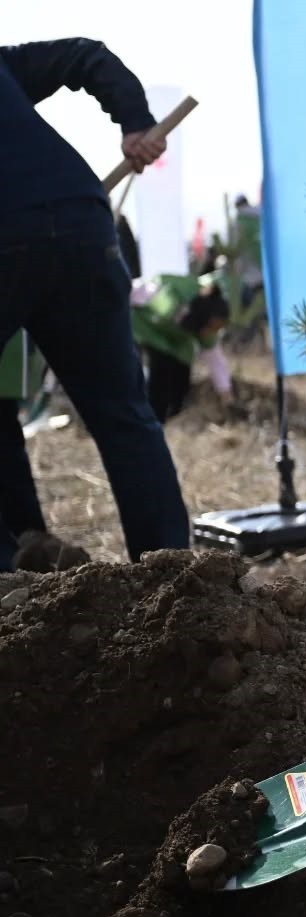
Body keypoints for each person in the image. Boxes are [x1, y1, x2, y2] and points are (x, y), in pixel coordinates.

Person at [0, 38, 191, 570]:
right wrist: (135, 123)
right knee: (123, 414)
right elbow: (85, 55)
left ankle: (8, 570)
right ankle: (174, 576)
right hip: (81, 224)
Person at [131, 273, 232, 422]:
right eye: (213, 326)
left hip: (174, 341)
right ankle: (152, 418)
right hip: (146, 328)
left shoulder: (205, 330)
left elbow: (215, 358)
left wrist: (225, 391)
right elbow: (136, 292)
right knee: (160, 372)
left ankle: (172, 416)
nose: (212, 332)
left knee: (181, 375)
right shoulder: (172, 297)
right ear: (204, 315)